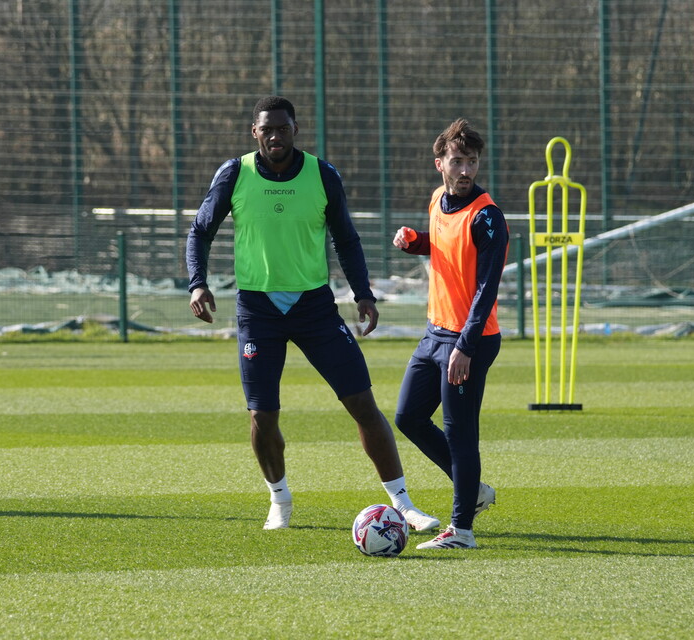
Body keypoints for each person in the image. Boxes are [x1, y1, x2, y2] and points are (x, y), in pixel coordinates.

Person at [186, 96, 439, 532]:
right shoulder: (235, 173)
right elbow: (200, 231)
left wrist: (364, 294)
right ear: (254, 132)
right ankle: (279, 499)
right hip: (258, 310)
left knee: (362, 403)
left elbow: (346, 238)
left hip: (315, 308)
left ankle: (403, 504)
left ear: (295, 130)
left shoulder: (322, 175)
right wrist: (197, 282)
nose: (275, 136)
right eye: (267, 129)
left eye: (283, 128)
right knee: (262, 415)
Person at [391, 118, 508, 549]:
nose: (465, 170)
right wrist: (415, 242)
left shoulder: (487, 217)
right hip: (434, 333)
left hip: (470, 341)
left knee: (460, 433)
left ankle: (462, 530)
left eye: (472, 162)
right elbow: (442, 245)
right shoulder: (438, 200)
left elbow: (487, 288)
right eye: (457, 161)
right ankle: (473, 491)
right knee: (408, 416)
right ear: (439, 163)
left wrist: (466, 346)